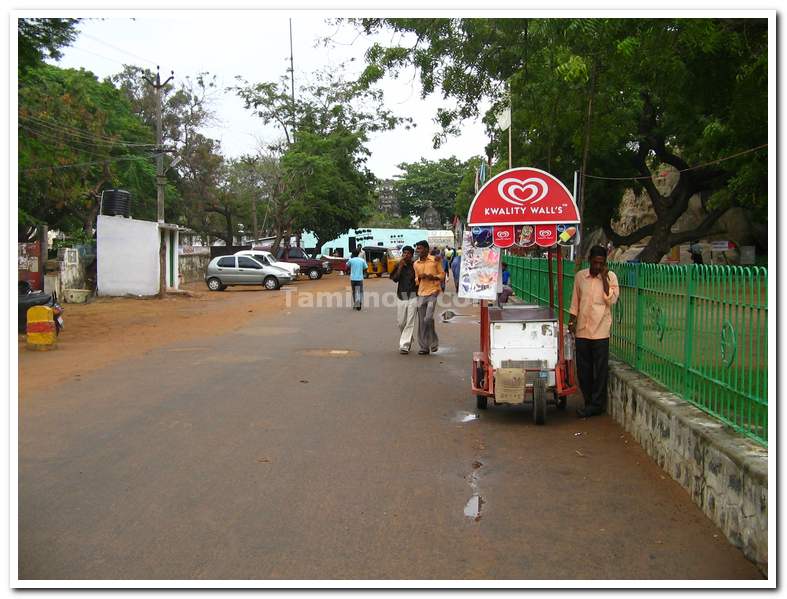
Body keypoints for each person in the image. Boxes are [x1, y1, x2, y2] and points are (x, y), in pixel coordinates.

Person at [568, 245, 620, 418]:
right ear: (589, 260)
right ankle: (589, 401)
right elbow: (575, 301)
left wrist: (604, 278)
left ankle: (597, 405)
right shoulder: (580, 277)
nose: (598, 266)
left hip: (601, 330)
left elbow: (611, 300)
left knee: (600, 370)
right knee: (583, 369)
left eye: (601, 263)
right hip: (583, 329)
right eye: (595, 263)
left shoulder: (611, 277)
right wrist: (572, 320)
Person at [413, 240, 445, 355]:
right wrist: (420, 278)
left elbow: (442, 275)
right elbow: (416, 280)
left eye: (420, 248)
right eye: (417, 248)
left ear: (426, 249)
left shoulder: (435, 260)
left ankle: (434, 343)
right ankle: (424, 347)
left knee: (428, 318)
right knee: (422, 321)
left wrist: (432, 277)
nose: (418, 250)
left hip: (433, 292)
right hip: (421, 293)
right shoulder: (416, 264)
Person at [390, 245, 419, 354]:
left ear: (411, 255)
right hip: (401, 296)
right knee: (401, 322)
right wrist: (400, 267)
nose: (405, 255)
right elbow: (395, 279)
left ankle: (404, 345)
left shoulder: (415, 265)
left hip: (413, 296)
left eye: (408, 253)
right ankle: (409, 338)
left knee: (410, 321)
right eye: (404, 253)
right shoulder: (398, 264)